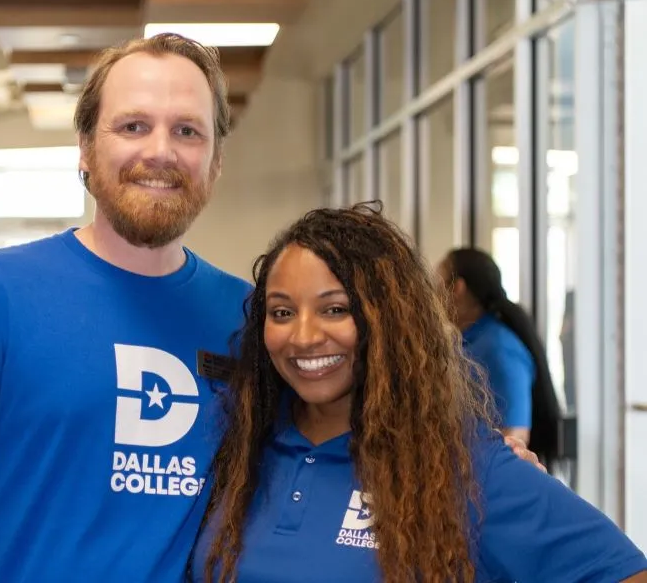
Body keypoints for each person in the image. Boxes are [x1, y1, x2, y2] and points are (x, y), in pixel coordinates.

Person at [0, 34, 544, 582]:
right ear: (85, 149)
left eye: (187, 131)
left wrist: (484, 465)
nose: (161, 151)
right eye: (133, 125)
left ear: (216, 161)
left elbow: (362, 429)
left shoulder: (260, 320)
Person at [193, 204, 646, 583]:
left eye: (335, 309)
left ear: (388, 321)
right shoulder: (244, 446)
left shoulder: (463, 465)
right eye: (282, 311)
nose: (304, 336)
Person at [437, 248, 561, 470]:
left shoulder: (499, 347)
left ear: (457, 289)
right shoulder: (467, 341)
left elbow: (516, 436)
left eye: (437, 283)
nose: (433, 294)